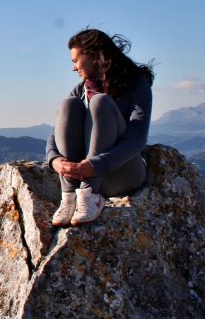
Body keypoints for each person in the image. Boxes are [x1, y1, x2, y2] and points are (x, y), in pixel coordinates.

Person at [46, 28, 154, 226]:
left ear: (95, 57)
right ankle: (69, 196)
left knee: (100, 102)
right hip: (81, 175)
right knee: (67, 105)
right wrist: (57, 162)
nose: (73, 68)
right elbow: (54, 136)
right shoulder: (80, 90)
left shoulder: (137, 85)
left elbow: (137, 139)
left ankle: (89, 194)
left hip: (122, 173)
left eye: (75, 61)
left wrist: (95, 165)